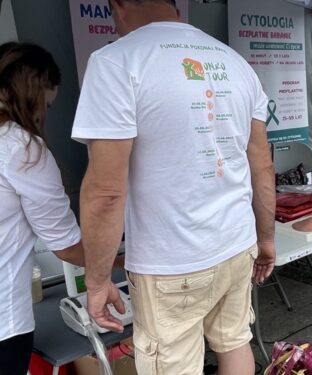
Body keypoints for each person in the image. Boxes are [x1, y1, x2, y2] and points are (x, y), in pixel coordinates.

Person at [70, 1, 276, 374]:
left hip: (171, 261)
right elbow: (261, 163)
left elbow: (105, 192)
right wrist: (266, 239)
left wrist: (97, 282)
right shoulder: (235, 63)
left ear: (118, 5)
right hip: (236, 242)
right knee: (234, 343)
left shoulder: (116, 62)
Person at [0, 42, 85, 375]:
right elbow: (66, 246)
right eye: (46, 104)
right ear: (31, 94)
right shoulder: (22, 148)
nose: (44, 115)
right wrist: (124, 261)